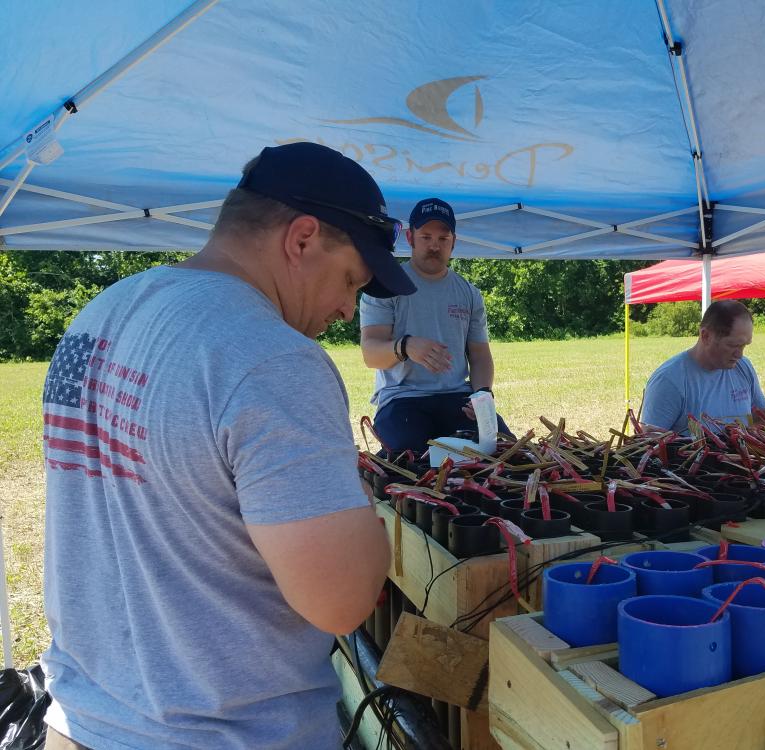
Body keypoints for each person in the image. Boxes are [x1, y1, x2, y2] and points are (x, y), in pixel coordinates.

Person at [40, 143, 413, 750]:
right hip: (227, 734)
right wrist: (366, 510)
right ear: (302, 238)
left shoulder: (101, 313)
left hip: (81, 720)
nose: (348, 309)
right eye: (351, 280)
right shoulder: (273, 357)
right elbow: (341, 601)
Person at [359, 197, 509, 453]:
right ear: (410, 238)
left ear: (454, 242)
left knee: (505, 450)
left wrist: (483, 394)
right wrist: (405, 347)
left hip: (458, 397)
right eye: (426, 237)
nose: (434, 246)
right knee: (412, 457)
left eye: (443, 239)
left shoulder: (469, 293)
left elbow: (480, 356)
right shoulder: (385, 286)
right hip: (402, 400)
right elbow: (371, 354)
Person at [641, 300, 765, 433]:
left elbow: (760, 415)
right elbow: (650, 440)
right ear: (705, 336)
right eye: (732, 345)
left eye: (744, 345)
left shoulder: (743, 367)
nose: (739, 355)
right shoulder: (668, 381)